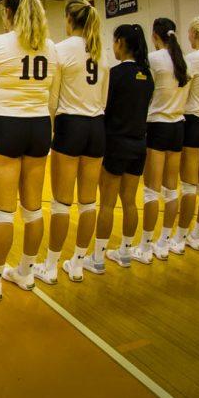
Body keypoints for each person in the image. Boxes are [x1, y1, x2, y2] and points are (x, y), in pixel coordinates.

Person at [0, 0, 58, 301]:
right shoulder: (50, 46)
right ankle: (26, 272)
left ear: (8, 12)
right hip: (38, 128)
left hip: (7, 126)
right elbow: (53, 91)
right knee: (34, 208)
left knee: (3, 213)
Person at [76, 24, 154, 279]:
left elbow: (104, 106)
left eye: (114, 42)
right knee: (130, 201)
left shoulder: (116, 73)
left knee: (107, 203)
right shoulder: (147, 75)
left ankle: (97, 257)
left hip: (116, 143)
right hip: (139, 143)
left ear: (120, 42)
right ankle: (125, 252)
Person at [38, 0, 107, 285]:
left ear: (69, 19)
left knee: (61, 203)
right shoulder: (101, 52)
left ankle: (51, 266)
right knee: (89, 202)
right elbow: (104, 97)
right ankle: (77, 263)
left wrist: (54, 124)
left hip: (70, 124)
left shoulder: (59, 48)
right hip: (97, 126)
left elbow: (53, 97)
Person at [116, 18, 188, 267]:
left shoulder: (156, 59)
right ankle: (165, 242)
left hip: (157, 126)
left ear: (155, 36)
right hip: (178, 126)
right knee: (171, 189)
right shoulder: (181, 59)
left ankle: (145, 246)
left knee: (151, 190)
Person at [167, 17, 199, 254]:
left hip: (193, 123)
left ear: (194, 34)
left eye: (189, 33)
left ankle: (179, 238)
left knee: (189, 186)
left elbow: (180, 89)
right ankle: (197, 235)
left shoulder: (192, 59)